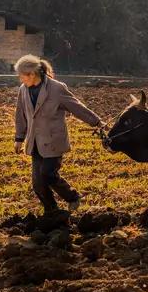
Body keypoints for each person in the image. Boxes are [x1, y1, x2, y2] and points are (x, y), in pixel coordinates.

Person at [13, 55, 106, 215]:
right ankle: (52, 210)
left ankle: (72, 197)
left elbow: (77, 107)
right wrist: (19, 139)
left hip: (54, 141)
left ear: (32, 74)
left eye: (22, 76)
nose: (20, 79)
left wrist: (97, 122)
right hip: (35, 142)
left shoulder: (56, 89)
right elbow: (20, 115)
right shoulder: (23, 90)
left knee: (48, 174)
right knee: (38, 184)